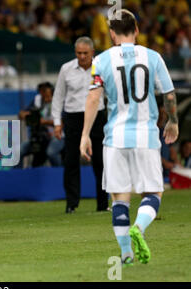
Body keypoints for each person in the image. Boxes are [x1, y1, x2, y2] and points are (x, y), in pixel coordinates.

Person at [80, 9, 179, 267]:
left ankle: (125, 254)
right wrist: (173, 121)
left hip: (115, 138)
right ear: (136, 31)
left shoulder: (100, 61)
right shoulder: (153, 56)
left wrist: (84, 135)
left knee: (119, 198)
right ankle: (139, 227)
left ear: (112, 34)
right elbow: (168, 94)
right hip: (145, 135)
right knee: (154, 193)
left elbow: (93, 98)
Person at [52, 36, 108, 213]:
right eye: (78, 53)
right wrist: (56, 122)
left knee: (100, 161)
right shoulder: (66, 69)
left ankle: (102, 203)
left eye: (85, 53)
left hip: (97, 117)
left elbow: (111, 94)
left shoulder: (101, 67)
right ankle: (71, 204)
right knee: (71, 162)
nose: (82, 56)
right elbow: (58, 96)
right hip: (73, 118)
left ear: (92, 52)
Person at [19, 82, 61, 167]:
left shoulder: (59, 102)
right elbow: (23, 113)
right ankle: (17, 176)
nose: (45, 96)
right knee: (19, 151)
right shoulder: (37, 100)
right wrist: (25, 115)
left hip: (56, 136)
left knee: (51, 152)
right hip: (38, 136)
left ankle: (60, 173)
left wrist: (44, 122)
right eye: (42, 92)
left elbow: (62, 122)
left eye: (47, 93)